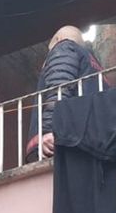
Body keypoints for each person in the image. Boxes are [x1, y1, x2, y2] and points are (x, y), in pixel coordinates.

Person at [24, 26, 105, 161]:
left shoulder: (64, 47)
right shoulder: (95, 67)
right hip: (93, 144)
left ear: (58, 39)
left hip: (66, 142)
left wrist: (50, 132)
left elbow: (59, 89)